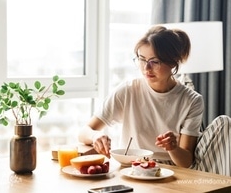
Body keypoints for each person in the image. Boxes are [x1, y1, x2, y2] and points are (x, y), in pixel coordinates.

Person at [78, 25, 205, 168]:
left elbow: (186, 162)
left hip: (168, 172)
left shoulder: (192, 100)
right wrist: (95, 136)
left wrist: (172, 148)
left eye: (154, 61)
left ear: (173, 61)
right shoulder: (128, 90)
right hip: (130, 167)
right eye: (142, 59)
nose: (146, 68)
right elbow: (84, 132)